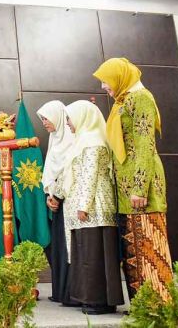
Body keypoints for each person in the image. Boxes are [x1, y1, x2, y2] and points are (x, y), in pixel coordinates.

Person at [93, 58, 172, 301]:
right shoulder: (122, 102)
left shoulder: (141, 98)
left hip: (142, 187)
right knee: (133, 246)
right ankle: (141, 304)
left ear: (120, 76)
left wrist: (139, 188)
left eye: (106, 81)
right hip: (126, 189)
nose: (104, 87)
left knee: (149, 244)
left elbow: (145, 145)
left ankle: (158, 304)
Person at [62, 100, 124, 315]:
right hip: (85, 208)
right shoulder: (82, 141)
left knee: (94, 256)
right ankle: (92, 298)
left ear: (82, 117)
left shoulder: (93, 142)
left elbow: (89, 177)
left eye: (69, 118)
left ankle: (100, 301)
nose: (68, 123)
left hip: (93, 208)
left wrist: (83, 205)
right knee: (87, 255)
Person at [36, 100, 76, 306]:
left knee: (70, 248)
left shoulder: (72, 140)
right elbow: (50, 173)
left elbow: (68, 173)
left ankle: (70, 293)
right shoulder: (54, 140)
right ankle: (60, 292)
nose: (44, 122)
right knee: (59, 246)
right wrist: (49, 195)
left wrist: (58, 195)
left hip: (70, 203)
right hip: (56, 202)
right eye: (42, 119)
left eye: (47, 118)